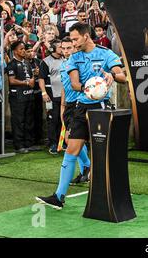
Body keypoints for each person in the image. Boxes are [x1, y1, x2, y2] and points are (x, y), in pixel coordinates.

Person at [36, 22, 125, 209]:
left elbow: (122, 76)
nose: (72, 43)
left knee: (104, 153)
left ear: (86, 36)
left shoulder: (106, 53)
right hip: (81, 107)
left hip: (101, 108)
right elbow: (75, 84)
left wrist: (111, 75)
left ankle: (111, 194)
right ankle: (59, 197)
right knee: (71, 150)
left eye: (75, 39)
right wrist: (90, 87)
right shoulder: (73, 58)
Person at [59, 37, 91, 184]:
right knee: (75, 141)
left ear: (75, 47)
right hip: (68, 106)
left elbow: (78, 84)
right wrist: (62, 106)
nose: (66, 51)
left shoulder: (78, 63)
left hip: (78, 105)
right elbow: (64, 87)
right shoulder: (63, 64)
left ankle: (88, 167)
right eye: (63, 48)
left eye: (69, 48)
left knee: (70, 139)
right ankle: (85, 169)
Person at [5, 41, 35, 153]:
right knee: (19, 121)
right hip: (17, 97)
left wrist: (32, 79)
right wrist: (27, 83)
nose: (23, 51)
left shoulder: (27, 62)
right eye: (21, 49)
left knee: (29, 120)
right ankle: (19, 145)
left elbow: (31, 77)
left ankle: (29, 143)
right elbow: (12, 81)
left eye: (24, 49)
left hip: (29, 95)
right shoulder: (11, 64)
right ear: (14, 51)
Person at [38, 40, 64, 155]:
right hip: (51, 95)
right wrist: (44, 93)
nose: (63, 48)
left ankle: (61, 142)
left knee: (62, 119)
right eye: (60, 47)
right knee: (52, 119)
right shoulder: (46, 62)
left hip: (63, 95)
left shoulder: (66, 59)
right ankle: (53, 143)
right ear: (53, 49)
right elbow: (41, 78)